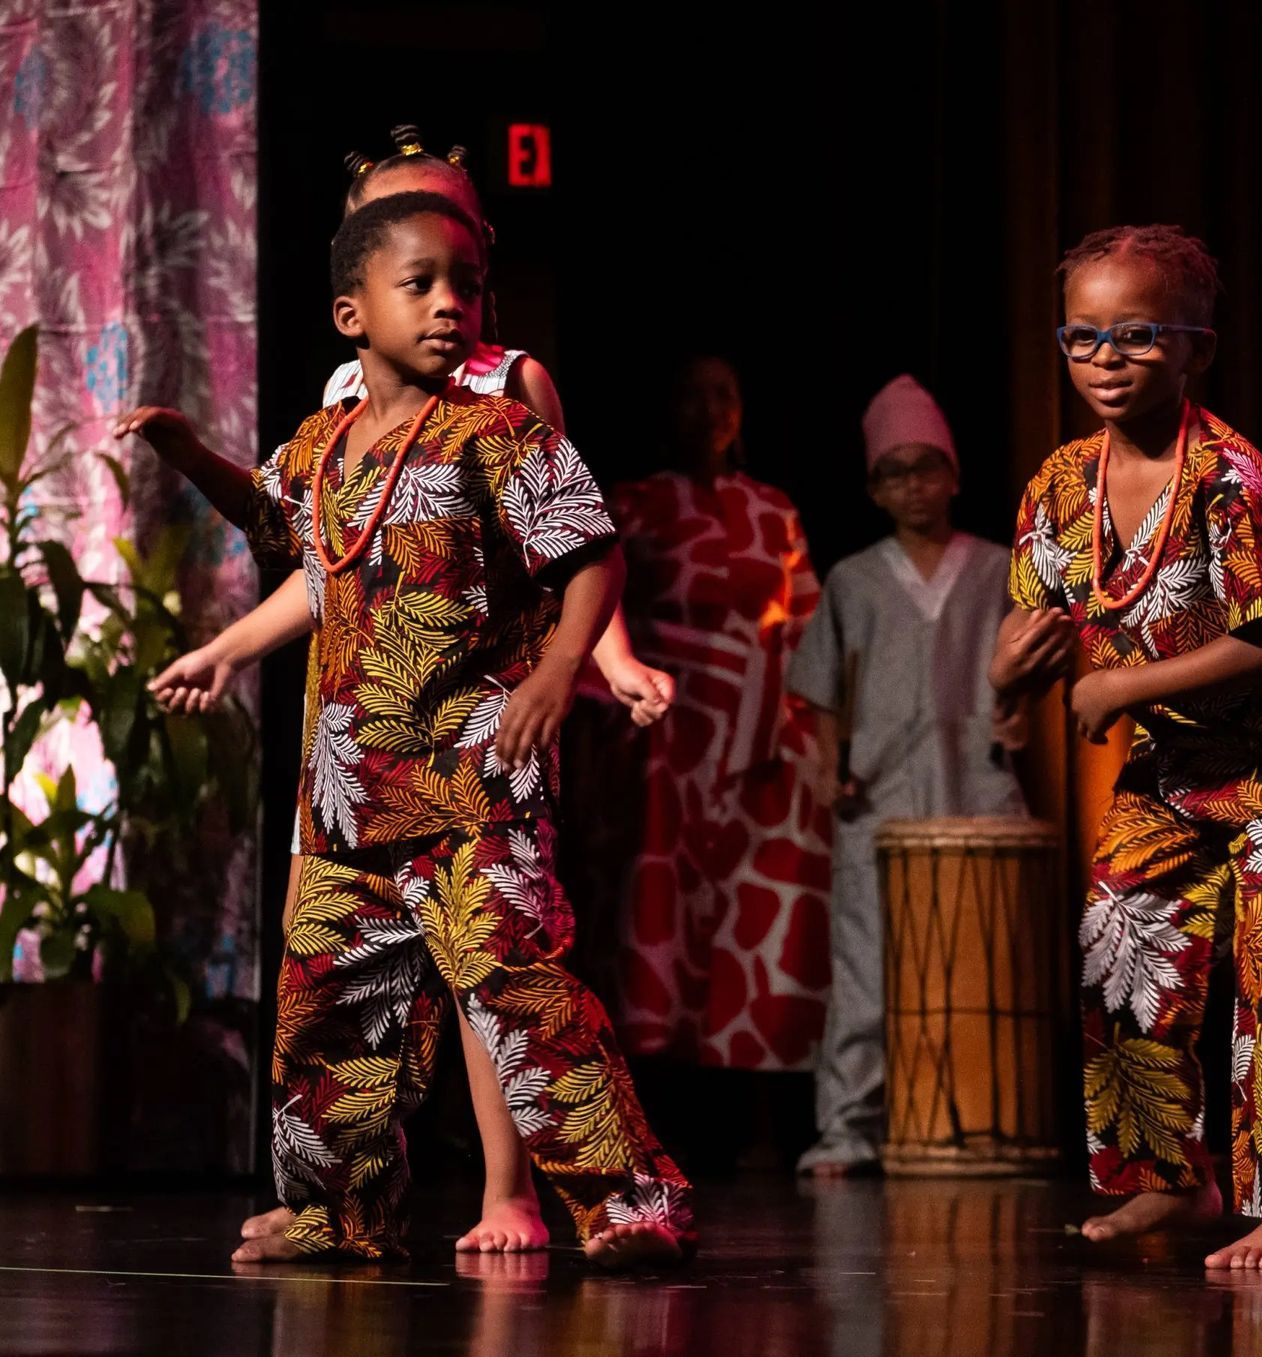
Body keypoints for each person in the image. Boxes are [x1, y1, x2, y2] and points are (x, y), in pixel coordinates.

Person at [127, 190, 693, 1267]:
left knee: (516, 987)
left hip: (477, 771)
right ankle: (336, 1212)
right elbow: (272, 522)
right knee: (328, 1007)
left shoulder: (498, 431)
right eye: (421, 285)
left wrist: (564, 669)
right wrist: (187, 449)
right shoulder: (325, 444)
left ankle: (633, 1206)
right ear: (352, 315)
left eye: (468, 287)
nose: (451, 306)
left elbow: (592, 553)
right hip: (349, 787)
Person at [991, 224, 1262, 1271]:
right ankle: (1169, 1181)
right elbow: (1033, 622)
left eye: (1137, 336)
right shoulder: (1061, 484)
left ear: (1198, 349)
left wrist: (1122, 684)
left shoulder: (1233, 478)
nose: (1105, 360)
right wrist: (1006, 684)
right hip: (1176, 762)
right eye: (1082, 338)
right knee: (1122, 937)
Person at [785, 375, 1028, 1176]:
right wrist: (827, 767)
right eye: (896, 472)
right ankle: (852, 1125)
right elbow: (820, 687)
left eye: (928, 467)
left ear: (955, 475)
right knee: (866, 964)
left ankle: (984, 1120)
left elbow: (1031, 675)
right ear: (873, 490)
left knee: (983, 961)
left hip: (979, 787)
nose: (914, 485)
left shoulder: (999, 570)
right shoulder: (854, 580)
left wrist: (1020, 717)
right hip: (879, 796)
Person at [612, 357, 833, 1083]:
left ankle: (756, 1085)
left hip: (762, 732)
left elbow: (806, 622)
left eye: (725, 395)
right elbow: (594, 613)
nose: (711, 410)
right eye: (693, 395)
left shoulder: (773, 507)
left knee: (757, 902)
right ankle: (662, 1088)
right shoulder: (634, 504)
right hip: (666, 731)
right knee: (664, 902)